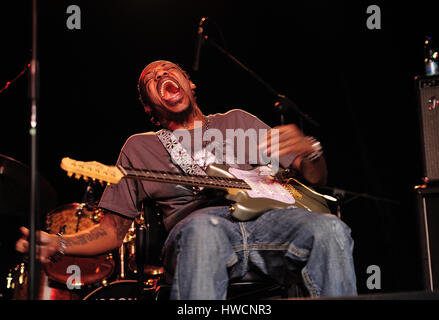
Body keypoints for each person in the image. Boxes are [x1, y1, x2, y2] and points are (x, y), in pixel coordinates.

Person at [16, 60, 357, 299]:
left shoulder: (237, 120)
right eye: (151, 78)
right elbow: (112, 230)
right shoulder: (140, 148)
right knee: (203, 229)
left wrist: (310, 150)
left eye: (169, 69)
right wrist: (60, 243)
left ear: (189, 83)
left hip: (271, 226)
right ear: (150, 107)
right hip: (203, 232)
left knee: (331, 229)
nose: (161, 74)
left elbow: (316, 178)